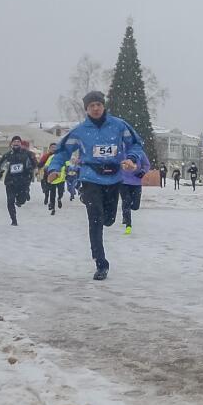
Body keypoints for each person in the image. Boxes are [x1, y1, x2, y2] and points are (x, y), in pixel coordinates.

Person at [47, 91, 143, 280]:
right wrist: (54, 168)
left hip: (114, 178)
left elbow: (136, 144)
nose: (96, 108)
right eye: (92, 106)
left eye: (99, 104)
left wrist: (132, 158)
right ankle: (101, 263)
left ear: (103, 106)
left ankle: (103, 214)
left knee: (108, 219)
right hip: (90, 177)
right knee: (96, 219)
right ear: (86, 109)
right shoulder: (80, 131)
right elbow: (62, 151)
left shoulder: (118, 125)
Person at [0, 136, 36, 226]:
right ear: (11, 143)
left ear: (20, 143)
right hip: (10, 181)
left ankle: (21, 199)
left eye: (18, 141)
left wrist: (30, 171)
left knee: (22, 200)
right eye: (14, 141)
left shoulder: (27, 154)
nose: (16, 143)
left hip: (23, 182)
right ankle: (13, 220)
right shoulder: (8, 155)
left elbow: (34, 165)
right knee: (10, 201)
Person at [118, 150, 150, 235]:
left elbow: (147, 165)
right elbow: (115, 162)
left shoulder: (140, 152)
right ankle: (128, 225)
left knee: (135, 206)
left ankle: (126, 210)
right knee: (126, 201)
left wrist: (143, 171)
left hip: (136, 182)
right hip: (123, 182)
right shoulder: (121, 151)